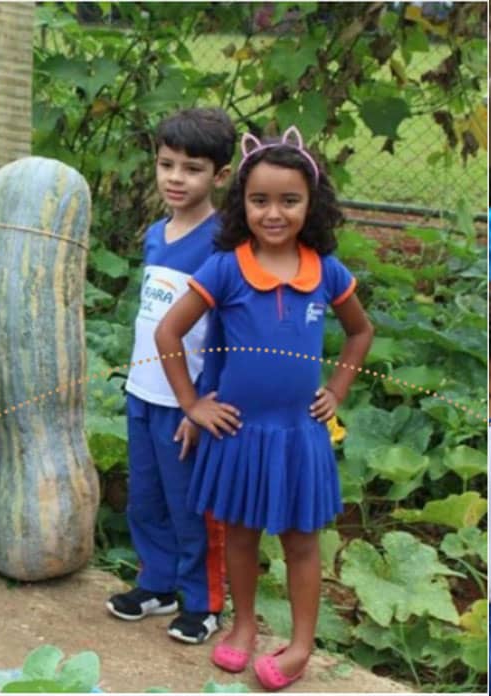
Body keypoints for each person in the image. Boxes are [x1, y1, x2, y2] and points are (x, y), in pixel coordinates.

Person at [155, 126, 373, 691]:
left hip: (299, 435)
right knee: (242, 535)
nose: (273, 213)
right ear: (241, 202)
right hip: (238, 435)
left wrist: (338, 391)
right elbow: (168, 332)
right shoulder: (227, 267)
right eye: (259, 200)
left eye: (289, 200)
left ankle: (301, 644)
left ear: (312, 202)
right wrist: (192, 402)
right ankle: (244, 626)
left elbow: (360, 333)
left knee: (301, 540)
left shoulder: (326, 271)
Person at [105, 108, 235, 645]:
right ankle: (156, 583)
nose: (175, 178)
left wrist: (204, 401)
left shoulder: (223, 242)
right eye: (166, 164)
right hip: (143, 390)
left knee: (192, 506)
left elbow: (229, 333)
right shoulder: (157, 234)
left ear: (220, 176)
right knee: (146, 499)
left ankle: (203, 601)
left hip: (188, 402)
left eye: (192, 168)